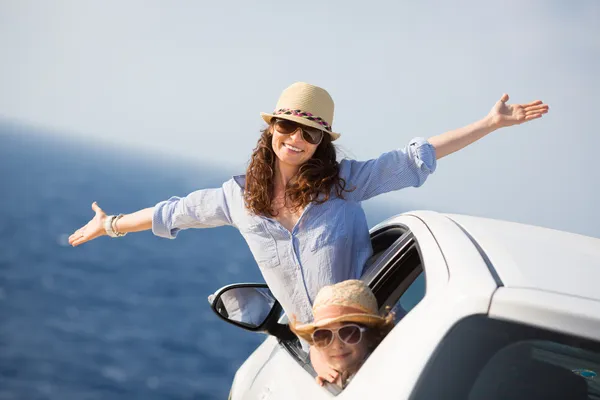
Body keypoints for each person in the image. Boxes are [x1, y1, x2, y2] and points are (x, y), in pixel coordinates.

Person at [68, 82, 549, 324]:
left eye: (310, 132)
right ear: (271, 131)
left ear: (321, 140)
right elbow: (175, 213)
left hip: (368, 331)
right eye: (287, 127)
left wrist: (489, 124)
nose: (296, 138)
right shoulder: (238, 198)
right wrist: (109, 224)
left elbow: (414, 158)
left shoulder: (345, 183)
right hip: (309, 342)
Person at [290, 279, 395, 388]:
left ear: (371, 335)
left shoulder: (386, 374)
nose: (336, 345)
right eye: (324, 336)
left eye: (348, 332)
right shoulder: (330, 375)